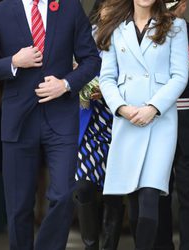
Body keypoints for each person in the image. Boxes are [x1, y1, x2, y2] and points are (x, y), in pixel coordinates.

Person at [0, 0, 101, 249]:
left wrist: (64, 84)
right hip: (18, 121)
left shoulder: (70, 7)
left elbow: (92, 61)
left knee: (64, 195)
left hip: (61, 116)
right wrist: (13, 62)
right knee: (19, 207)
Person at [97, 0, 189, 250]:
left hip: (159, 122)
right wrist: (121, 108)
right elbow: (106, 77)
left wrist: (153, 108)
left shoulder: (175, 25)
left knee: (150, 198)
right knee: (135, 206)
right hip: (126, 119)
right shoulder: (116, 26)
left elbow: (180, 75)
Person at [152, 1, 189, 250]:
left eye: (173, 6)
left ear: (184, 6)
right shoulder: (147, 34)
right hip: (157, 119)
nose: (167, 12)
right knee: (158, 190)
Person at [74, 1, 124, 250]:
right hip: (90, 119)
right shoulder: (86, 33)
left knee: (113, 192)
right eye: (106, 5)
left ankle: (109, 247)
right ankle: (90, 245)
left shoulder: (128, 34)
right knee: (83, 187)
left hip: (119, 120)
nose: (109, 11)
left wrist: (109, 91)